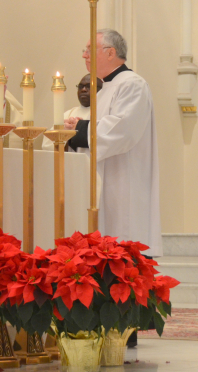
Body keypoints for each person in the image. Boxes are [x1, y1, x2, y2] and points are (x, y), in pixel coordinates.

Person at [63, 29, 162, 257]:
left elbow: (122, 130)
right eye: (84, 51)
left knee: (121, 242)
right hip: (101, 183)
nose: (84, 55)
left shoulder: (132, 84)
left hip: (123, 182)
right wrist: (78, 126)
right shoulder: (103, 88)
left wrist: (79, 129)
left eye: (89, 50)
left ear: (111, 53)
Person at [42, 73, 102, 153]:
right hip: (69, 163)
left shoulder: (104, 113)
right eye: (80, 87)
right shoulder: (68, 114)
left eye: (89, 86)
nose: (83, 89)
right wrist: (65, 135)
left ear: (102, 90)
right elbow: (46, 145)